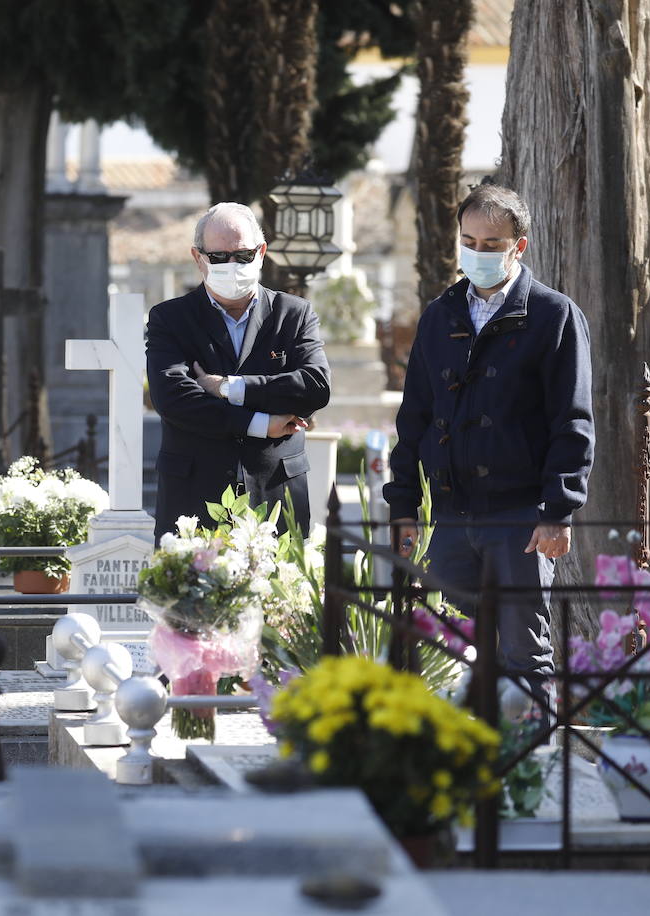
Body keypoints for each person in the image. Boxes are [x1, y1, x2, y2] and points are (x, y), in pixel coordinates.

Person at [383, 183, 594, 721]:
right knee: (447, 650)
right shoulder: (440, 315)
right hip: (448, 516)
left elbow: (571, 421)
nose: (477, 252)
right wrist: (405, 506)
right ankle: (453, 757)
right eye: (469, 240)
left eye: (491, 242)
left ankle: (531, 763)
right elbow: (415, 418)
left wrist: (557, 510)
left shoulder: (553, 316)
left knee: (525, 652)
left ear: (518, 247)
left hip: (519, 517)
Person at [145, 202, 331, 541]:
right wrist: (262, 423)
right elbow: (174, 399)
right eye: (218, 257)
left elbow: (315, 386)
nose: (231, 265)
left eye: (243, 255)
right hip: (194, 496)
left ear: (261, 252)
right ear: (197, 257)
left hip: (276, 494)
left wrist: (230, 388)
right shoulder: (171, 319)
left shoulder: (293, 314)